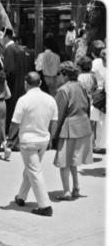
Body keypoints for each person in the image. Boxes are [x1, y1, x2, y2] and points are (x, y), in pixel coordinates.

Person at [7, 72, 58, 216]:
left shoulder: (23, 100)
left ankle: (45, 206)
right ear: (40, 83)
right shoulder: (50, 99)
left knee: (34, 171)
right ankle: (21, 196)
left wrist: (10, 139)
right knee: (31, 169)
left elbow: (15, 123)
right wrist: (51, 139)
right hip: (43, 139)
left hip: (29, 140)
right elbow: (54, 122)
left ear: (26, 84)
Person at [53, 61, 93, 200]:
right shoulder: (81, 85)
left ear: (64, 74)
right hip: (83, 124)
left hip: (69, 127)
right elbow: (87, 104)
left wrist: (53, 134)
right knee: (73, 160)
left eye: (59, 73)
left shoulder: (63, 90)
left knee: (64, 161)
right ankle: (76, 187)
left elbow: (58, 114)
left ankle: (66, 191)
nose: (57, 76)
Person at [1, 28, 27, 133]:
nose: (1, 39)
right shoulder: (20, 48)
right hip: (21, 83)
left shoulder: (9, 49)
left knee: (11, 110)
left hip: (12, 86)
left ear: (6, 37)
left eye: (1, 36)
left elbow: (9, 70)